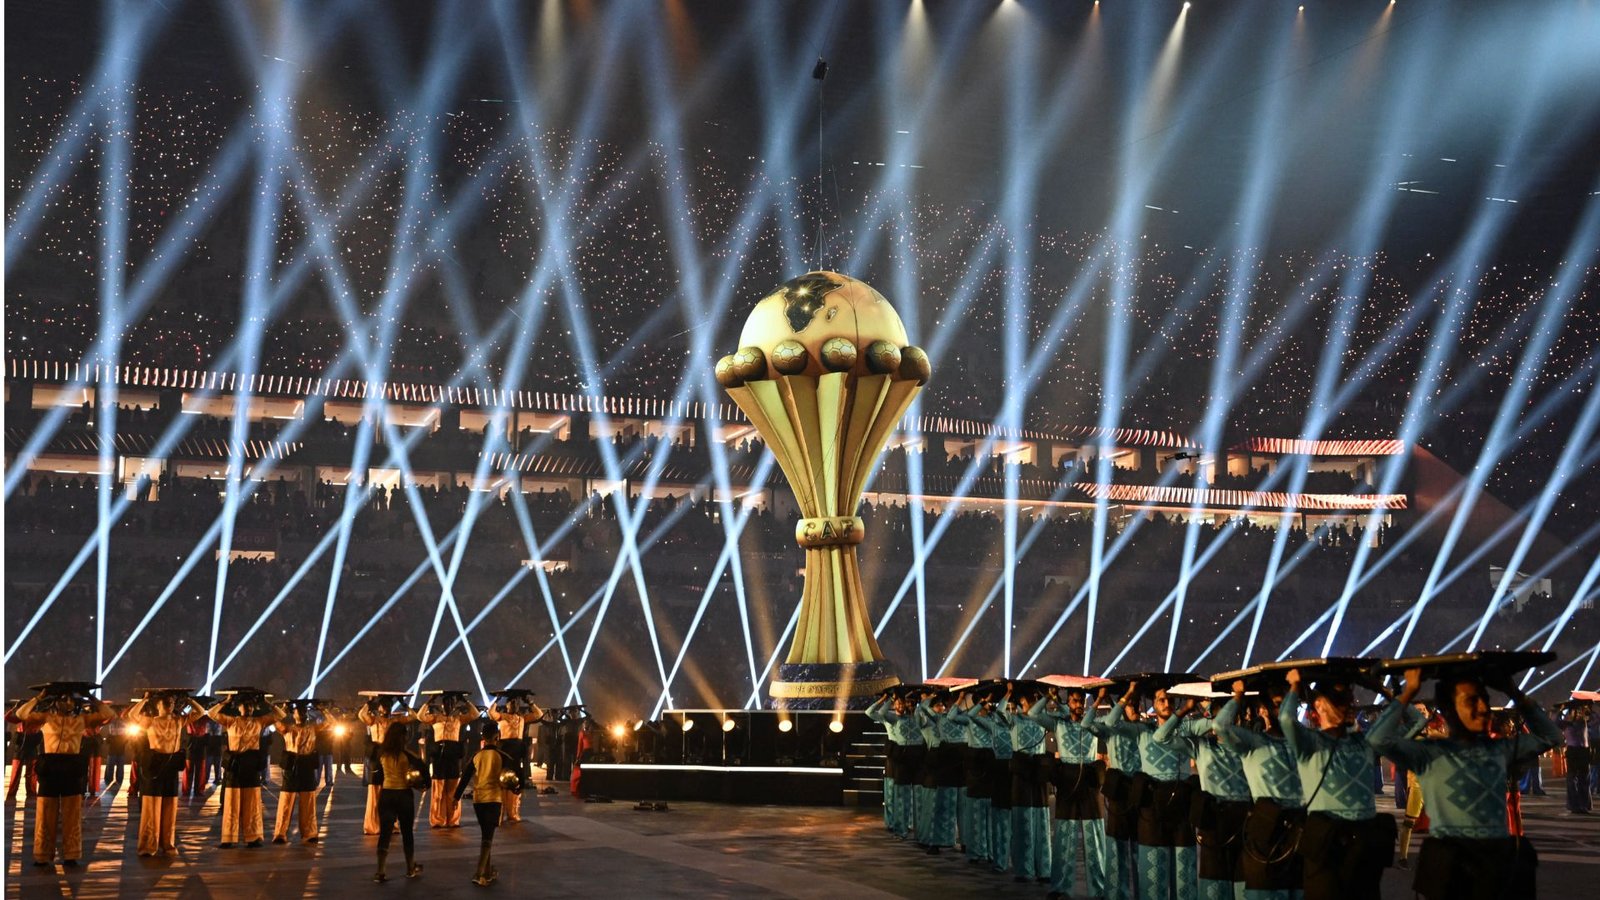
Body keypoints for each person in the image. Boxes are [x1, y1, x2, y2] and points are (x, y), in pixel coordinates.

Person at [1370, 666, 1562, 899]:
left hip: (1496, 867)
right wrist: (1407, 693)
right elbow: (1377, 739)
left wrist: (1514, 692)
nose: (1483, 708)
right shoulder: (1430, 754)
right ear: (1449, 709)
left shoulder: (1499, 749)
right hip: (1450, 870)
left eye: (1484, 700)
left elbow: (1552, 737)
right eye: (1472, 701)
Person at [1280, 667, 1400, 900]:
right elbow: (1286, 718)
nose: (1348, 704)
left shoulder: (1365, 742)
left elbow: (1416, 721)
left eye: (1348, 698)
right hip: (1325, 850)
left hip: (1363, 851)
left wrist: (1383, 691)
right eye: (1339, 700)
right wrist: (1294, 687)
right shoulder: (1310, 743)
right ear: (1319, 705)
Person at [1214, 679, 1305, 900]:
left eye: (1289, 704)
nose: (1285, 709)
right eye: (1277, 704)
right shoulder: (1253, 742)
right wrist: (1237, 697)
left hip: (1300, 834)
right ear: (1264, 710)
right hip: (1266, 833)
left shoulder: (1303, 742)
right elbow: (1220, 726)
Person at [1161, 691, 1250, 900]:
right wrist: (1183, 710)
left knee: (1243, 885)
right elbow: (1161, 737)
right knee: (1213, 885)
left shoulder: (1247, 747)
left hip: (1243, 821)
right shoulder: (1202, 746)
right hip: (1214, 821)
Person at [15, 688, 114, 867]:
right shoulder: (46, 717)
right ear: (56, 702)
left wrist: (91, 697)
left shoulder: (81, 719)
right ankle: (42, 854)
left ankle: (71, 854)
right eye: (63, 698)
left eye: (70, 699)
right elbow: (21, 713)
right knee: (45, 814)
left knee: (72, 814)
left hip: (71, 768)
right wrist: (40, 697)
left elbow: (109, 714)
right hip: (50, 768)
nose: (67, 702)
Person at [1030, 686, 1107, 900]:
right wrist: (1047, 696)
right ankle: (1060, 886)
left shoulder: (1092, 722)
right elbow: (1033, 714)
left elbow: (1111, 725)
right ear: (1068, 702)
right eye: (1074, 701)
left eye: (1081, 701)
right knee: (1064, 836)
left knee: (1095, 839)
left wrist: (1101, 699)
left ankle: (1099, 888)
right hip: (1067, 780)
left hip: (1090, 781)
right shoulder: (1058, 722)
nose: (1078, 705)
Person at [126, 692, 203, 856]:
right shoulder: (150, 721)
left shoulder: (178, 720)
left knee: (169, 808)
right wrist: (145, 699)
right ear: (158, 705)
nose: (170, 705)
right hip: (154, 765)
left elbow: (201, 712)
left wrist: (189, 700)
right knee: (151, 808)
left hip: (171, 766)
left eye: (172, 702)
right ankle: (148, 846)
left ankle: (167, 844)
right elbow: (132, 714)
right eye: (166, 702)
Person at [1087, 685, 1143, 900]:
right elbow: (1087, 724)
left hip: (1139, 790)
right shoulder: (1111, 729)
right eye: (1130, 705)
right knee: (1118, 848)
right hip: (1119, 791)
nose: (1135, 708)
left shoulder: (1144, 729)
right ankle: (1117, 893)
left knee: (1139, 848)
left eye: (1136, 704)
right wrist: (1113, 699)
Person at [207, 694, 281, 848]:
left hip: (252, 763)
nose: (247, 708)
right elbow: (211, 713)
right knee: (232, 803)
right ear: (238, 708)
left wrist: (267, 703)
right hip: (235, 764)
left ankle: (253, 837)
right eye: (244, 705)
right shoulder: (231, 721)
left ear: (253, 708)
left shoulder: (259, 721)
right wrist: (225, 701)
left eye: (250, 706)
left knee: (252, 802)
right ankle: (229, 838)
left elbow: (281, 715)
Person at [996, 684, 1051, 882]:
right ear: (1022, 703)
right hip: (1021, 773)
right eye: (1031, 700)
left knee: (1041, 822)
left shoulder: (1042, 720)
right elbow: (999, 711)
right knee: (1022, 822)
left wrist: (1049, 695)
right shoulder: (1014, 720)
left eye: (1036, 700)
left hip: (1039, 772)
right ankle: (1023, 869)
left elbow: (1063, 713)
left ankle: (1044, 869)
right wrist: (1008, 693)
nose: (1034, 704)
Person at [455, 721, 517, 886]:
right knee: (487, 838)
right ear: (497, 736)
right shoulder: (503, 756)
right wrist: (516, 789)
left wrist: (456, 798)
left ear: (483, 737)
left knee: (485, 834)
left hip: (478, 800)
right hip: (494, 799)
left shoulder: (476, 756)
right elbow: (515, 775)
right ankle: (478, 873)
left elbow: (465, 778)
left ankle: (488, 872)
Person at [371, 722, 427, 882]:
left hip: (387, 795)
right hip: (404, 795)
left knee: (385, 833)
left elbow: (376, 776)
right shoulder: (408, 755)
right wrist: (422, 784)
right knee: (407, 832)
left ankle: (380, 870)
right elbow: (423, 769)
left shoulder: (382, 754)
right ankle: (410, 867)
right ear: (403, 736)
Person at [912, 692, 965, 854]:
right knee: (935, 804)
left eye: (942, 705)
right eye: (938, 705)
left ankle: (949, 839)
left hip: (952, 761)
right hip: (935, 763)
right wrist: (928, 697)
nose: (941, 708)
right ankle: (930, 840)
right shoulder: (927, 722)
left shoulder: (950, 720)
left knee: (952, 802)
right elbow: (920, 711)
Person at [418, 694, 481, 828]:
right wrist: (429, 702)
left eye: (452, 703)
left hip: (453, 755)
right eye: (447, 703)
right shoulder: (435, 718)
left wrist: (465, 701)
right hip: (439, 757)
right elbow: (420, 717)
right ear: (442, 705)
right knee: (438, 791)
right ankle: (437, 820)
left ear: (454, 705)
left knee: (453, 789)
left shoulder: (458, 718)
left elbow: (475, 715)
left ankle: (453, 820)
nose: (449, 706)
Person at [946, 692, 994, 866]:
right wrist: (961, 700)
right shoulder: (969, 719)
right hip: (974, 767)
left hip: (990, 766)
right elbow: (951, 716)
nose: (989, 706)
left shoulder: (994, 719)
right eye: (986, 703)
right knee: (974, 812)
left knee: (989, 812)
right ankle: (974, 851)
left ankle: (989, 851)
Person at [272, 701, 329, 844]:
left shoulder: (313, 728)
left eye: (304, 711)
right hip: (292, 766)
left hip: (307, 765)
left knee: (308, 802)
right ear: (294, 714)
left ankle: (309, 834)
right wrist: (283, 709)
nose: (302, 714)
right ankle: (280, 834)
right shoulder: (287, 729)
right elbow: (274, 720)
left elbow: (331, 724)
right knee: (285, 802)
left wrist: (324, 710)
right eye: (299, 711)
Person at [359, 697, 414, 835]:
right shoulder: (373, 720)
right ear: (379, 708)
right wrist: (369, 702)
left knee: (390, 791)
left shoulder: (395, 721)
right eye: (384, 705)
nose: (387, 708)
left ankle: (391, 824)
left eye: (389, 705)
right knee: (374, 792)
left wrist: (403, 704)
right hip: (377, 756)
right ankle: (373, 825)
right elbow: (361, 715)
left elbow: (414, 716)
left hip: (390, 756)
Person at [487, 696, 540, 824]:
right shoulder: (502, 716)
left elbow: (538, 715)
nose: (515, 705)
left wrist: (530, 703)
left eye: (517, 703)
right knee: (501, 781)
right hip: (504, 748)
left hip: (517, 749)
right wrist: (496, 700)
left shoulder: (522, 718)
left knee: (515, 782)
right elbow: (491, 713)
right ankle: (499, 813)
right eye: (512, 702)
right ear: (507, 705)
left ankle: (513, 813)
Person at [1557, 702, 1591, 815]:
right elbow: (1554, 721)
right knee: (1573, 779)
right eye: (1576, 711)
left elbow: (1592, 716)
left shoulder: (1583, 722)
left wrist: (1561, 711)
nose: (1578, 713)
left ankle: (1583, 804)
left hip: (1582, 752)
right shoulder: (1567, 724)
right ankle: (1576, 805)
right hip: (1574, 751)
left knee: (1583, 779)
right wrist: (1560, 710)